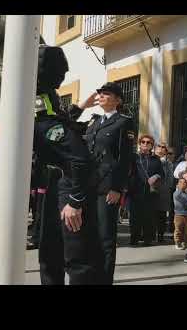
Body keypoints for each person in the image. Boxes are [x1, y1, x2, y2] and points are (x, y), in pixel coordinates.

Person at [0, 44, 103, 285]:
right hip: (55, 186)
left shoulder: (40, 108)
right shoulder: (36, 106)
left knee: (78, 259)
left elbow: (78, 156)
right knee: (50, 254)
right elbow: (13, 138)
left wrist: (74, 201)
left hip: (69, 188)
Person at [68, 81, 134, 285]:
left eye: (107, 93)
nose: (102, 96)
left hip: (107, 188)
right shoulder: (93, 122)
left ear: (118, 99)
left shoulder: (124, 122)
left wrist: (117, 188)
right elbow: (66, 126)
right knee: (87, 236)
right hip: (87, 186)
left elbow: (125, 159)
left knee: (105, 238)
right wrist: (81, 106)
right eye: (100, 93)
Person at [128, 134, 164, 246]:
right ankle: (134, 237)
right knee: (134, 216)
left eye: (148, 142)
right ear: (139, 144)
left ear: (152, 145)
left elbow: (162, 174)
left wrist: (156, 176)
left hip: (150, 192)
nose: (145, 144)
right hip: (135, 190)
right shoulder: (134, 157)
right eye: (143, 142)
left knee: (148, 216)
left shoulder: (156, 159)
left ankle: (148, 238)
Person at [154, 142, 174, 243]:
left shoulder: (168, 163)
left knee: (161, 214)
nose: (161, 149)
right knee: (151, 213)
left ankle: (160, 235)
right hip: (151, 190)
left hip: (163, 191)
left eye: (163, 148)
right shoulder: (151, 159)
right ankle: (150, 234)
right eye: (159, 147)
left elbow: (170, 178)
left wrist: (167, 188)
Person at [173, 178, 187, 250]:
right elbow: (184, 201)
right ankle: (178, 243)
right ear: (178, 184)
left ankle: (186, 243)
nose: (183, 184)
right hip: (179, 215)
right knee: (178, 229)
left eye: (184, 183)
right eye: (181, 182)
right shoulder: (176, 193)